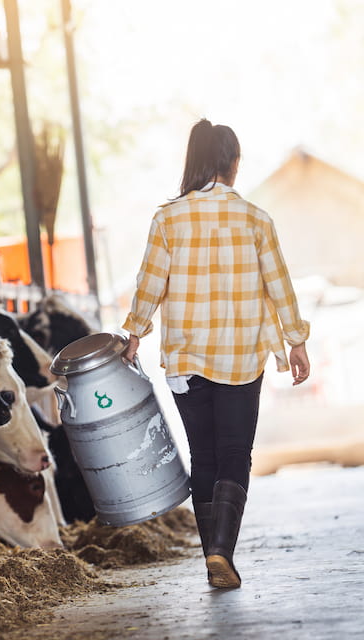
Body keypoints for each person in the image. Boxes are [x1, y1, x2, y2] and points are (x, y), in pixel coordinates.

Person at [121, 119, 311, 589]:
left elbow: (150, 284)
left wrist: (134, 333)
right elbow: (278, 285)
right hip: (240, 357)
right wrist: (296, 338)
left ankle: (212, 556)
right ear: (232, 163)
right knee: (234, 454)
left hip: (186, 359)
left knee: (203, 455)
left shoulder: (167, 218)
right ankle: (222, 551)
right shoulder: (255, 218)